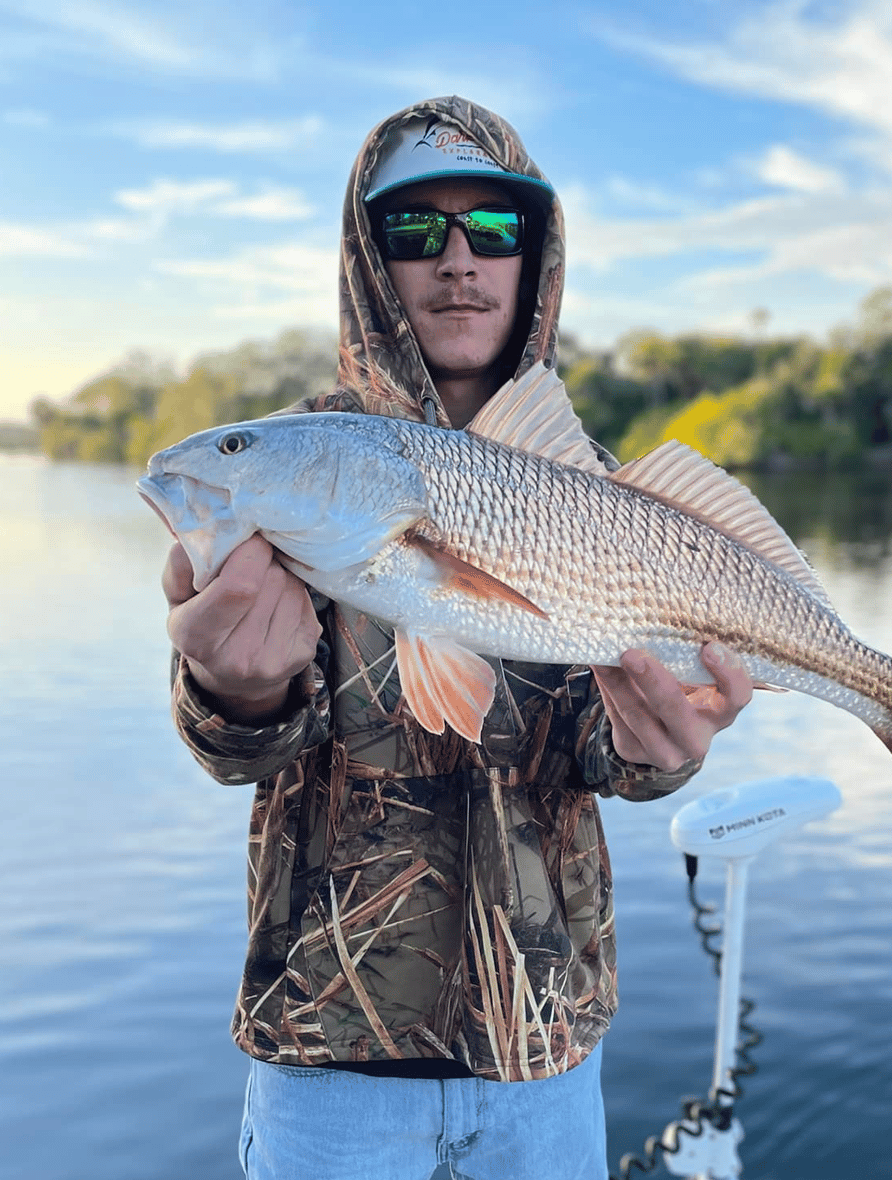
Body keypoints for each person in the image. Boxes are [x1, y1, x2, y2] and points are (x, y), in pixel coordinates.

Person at [161, 95, 753, 1180]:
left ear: (536, 256)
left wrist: (662, 749)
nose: (459, 261)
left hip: (545, 1059)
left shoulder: (599, 490)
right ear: (367, 256)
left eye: (495, 229)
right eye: (416, 230)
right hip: (328, 1066)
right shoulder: (302, 461)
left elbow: (603, 748)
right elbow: (228, 746)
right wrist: (233, 691)